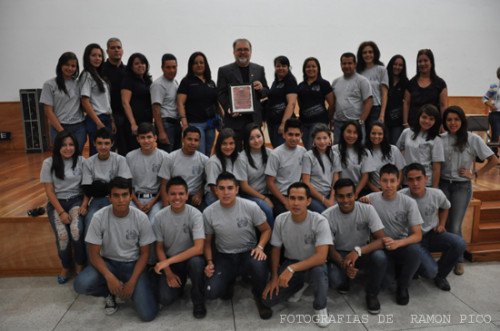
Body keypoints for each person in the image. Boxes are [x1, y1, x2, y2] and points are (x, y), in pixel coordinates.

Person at [74, 177, 158, 322]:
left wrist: (132, 282)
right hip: (108, 263)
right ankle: (109, 292)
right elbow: (94, 255)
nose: (121, 200)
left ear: (131, 195)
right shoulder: (99, 217)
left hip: (132, 264)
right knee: (81, 284)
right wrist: (109, 277)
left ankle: (133, 287)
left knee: (148, 315)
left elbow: (145, 254)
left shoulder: (140, 218)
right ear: (109, 197)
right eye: (116, 196)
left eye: (125, 195)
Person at [262, 182, 332, 328]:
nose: (295, 202)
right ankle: (300, 284)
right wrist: (274, 277)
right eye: (292, 198)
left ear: (308, 201)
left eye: (300, 198)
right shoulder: (281, 219)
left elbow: (321, 256)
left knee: (319, 271)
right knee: (268, 300)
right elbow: (275, 249)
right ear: (287, 200)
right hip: (291, 262)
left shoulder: (319, 221)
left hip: (313, 264)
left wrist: (292, 269)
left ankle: (320, 307)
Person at [203, 172, 272, 320]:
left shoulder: (250, 207)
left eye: (229, 188)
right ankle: (229, 281)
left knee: (259, 263)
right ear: (216, 190)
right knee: (211, 292)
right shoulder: (209, 212)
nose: (226, 192)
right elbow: (207, 242)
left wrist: (260, 247)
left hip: (248, 253)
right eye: (221, 188)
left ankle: (259, 296)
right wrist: (209, 262)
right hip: (225, 256)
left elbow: (266, 230)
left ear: (236, 189)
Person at [440, 106, 498, 275]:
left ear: (462, 121)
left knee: (455, 225)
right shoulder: (441, 138)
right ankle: (447, 256)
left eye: (456, 119)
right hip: (443, 185)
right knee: (446, 224)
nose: (453, 123)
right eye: (449, 120)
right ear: (445, 122)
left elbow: (493, 159)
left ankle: (458, 260)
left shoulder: (472, 139)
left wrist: (475, 174)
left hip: (461, 187)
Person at [361, 164, 423, 305]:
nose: (389, 185)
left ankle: (403, 286)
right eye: (385, 181)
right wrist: (361, 202)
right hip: (378, 246)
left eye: (392, 181)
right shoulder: (370, 199)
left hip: (399, 244)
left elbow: (417, 235)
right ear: (379, 181)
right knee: (384, 277)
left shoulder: (409, 202)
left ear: (398, 181)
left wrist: (398, 243)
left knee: (416, 251)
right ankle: (372, 292)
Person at [323, 178, 386, 315]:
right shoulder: (327, 216)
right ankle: (345, 277)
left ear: (355, 195)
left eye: (349, 195)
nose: (345, 200)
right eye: (341, 196)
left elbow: (382, 240)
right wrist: (343, 263)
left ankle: (372, 294)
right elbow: (329, 248)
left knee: (380, 257)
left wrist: (357, 251)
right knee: (335, 281)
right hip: (340, 254)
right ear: (335, 196)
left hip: (362, 252)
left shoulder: (368, 209)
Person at [400, 163, 466, 290]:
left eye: (418, 178)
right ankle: (418, 267)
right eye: (411, 179)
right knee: (429, 272)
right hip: (412, 240)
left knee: (459, 243)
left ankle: (440, 275)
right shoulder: (401, 196)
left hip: (432, 234)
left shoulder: (437, 194)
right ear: (406, 181)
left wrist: (441, 224)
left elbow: (445, 207)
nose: (415, 183)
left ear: (426, 178)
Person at [153, 177, 206, 318]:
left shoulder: (195, 214)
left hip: (191, 259)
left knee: (197, 263)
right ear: (167, 195)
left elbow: (199, 248)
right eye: (173, 194)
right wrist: (169, 272)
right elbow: (159, 248)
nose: (177, 198)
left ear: (187, 195)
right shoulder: (159, 217)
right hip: (173, 261)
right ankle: (179, 284)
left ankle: (198, 299)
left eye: (181, 194)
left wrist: (166, 263)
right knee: (165, 298)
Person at [40, 131, 86, 283]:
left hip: (76, 201)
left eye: (71, 145)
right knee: (63, 236)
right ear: (57, 146)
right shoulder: (48, 163)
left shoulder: (81, 161)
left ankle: (80, 264)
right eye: (64, 145)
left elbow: (87, 187)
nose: (68, 148)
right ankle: (66, 266)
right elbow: (49, 191)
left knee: (76, 231)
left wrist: (84, 204)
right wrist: (60, 212)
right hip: (57, 204)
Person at [126, 123, 167, 265]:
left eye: (149, 137)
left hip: (156, 199)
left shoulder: (164, 156)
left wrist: (152, 202)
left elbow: (164, 185)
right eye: (142, 138)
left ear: (155, 137)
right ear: (137, 139)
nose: (146, 141)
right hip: (135, 199)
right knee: (130, 222)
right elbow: (128, 185)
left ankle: (151, 262)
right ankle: (132, 259)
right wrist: (137, 203)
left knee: (152, 223)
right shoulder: (130, 157)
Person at [217, 38, 269, 149]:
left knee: (256, 153)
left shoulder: (259, 69)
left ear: (250, 51)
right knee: (234, 153)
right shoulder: (224, 70)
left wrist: (261, 89)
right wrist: (229, 108)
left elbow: (266, 91)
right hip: (234, 121)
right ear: (234, 52)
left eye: (246, 49)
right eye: (239, 49)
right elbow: (221, 93)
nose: (242, 52)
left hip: (254, 120)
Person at [81, 128, 132, 239]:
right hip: (97, 201)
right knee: (90, 223)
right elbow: (88, 189)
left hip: (118, 199)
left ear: (112, 144)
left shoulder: (120, 160)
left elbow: (125, 185)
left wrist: (98, 185)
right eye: (99, 143)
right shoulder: (88, 163)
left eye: (106, 143)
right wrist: (112, 185)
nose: (103, 147)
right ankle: (91, 256)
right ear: (94, 143)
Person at [40, 52, 86, 153]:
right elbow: (48, 110)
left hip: (78, 127)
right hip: (58, 127)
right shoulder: (49, 84)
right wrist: (61, 130)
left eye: (73, 66)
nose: (70, 68)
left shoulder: (79, 83)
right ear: (60, 65)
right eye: (67, 65)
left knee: (77, 157)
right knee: (60, 158)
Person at [178, 51, 219, 156]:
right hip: (195, 124)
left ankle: (206, 172)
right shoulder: (186, 82)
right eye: (196, 63)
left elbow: (217, 103)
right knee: (200, 154)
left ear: (206, 65)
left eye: (201, 62)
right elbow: (180, 103)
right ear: (191, 66)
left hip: (211, 123)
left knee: (208, 153)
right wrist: (185, 124)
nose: (199, 65)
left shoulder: (211, 82)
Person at [233, 123, 274, 228]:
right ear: (246, 140)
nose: (256, 141)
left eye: (259, 136)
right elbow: (244, 187)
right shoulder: (242, 158)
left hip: (268, 193)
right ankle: (272, 241)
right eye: (251, 138)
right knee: (267, 210)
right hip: (250, 195)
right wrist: (264, 198)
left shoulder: (270, 153)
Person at [158, 126, 208, 211]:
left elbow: (207, 182)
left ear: (199, 142)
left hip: (193, 198)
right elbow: (164, 184)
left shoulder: (204, 160)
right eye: (189, 139)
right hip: (175, 196)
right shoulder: (170, 158)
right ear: (183, 139)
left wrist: (200, 193)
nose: (192, 143)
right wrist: (166, 208)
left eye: (196, 140)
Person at [265, 118, 307, 217]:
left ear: (301, 135)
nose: (294, 138)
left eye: (297, 135)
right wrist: (284, 201)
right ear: (284, 135)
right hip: (279, 196)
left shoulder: (303, 151)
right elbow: (269, 183)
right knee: (285, 219)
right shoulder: (276, 154)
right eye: (290, 134)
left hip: (296, 194)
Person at [80, 43, 115, 156]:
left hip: (106, 118)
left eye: (99, 56)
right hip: (96, 119)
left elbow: (106, 102)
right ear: (87, 57)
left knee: (109, 153)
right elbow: (85, 101)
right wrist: (98, 122)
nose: (97, 58)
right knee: (97, 154)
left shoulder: (100, 76)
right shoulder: (86, 75)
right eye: (94, 55)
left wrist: (112, 120)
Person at [397, 104, 444, 187]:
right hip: (407, 180)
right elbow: (399, 153)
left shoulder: (436, 140)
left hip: (425, 182)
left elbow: (436, 168)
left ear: (435, 121)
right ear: (419, 117)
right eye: (424, 117)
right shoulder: (407, 133)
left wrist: (434, 188)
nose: (427, 121)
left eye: (431, 119)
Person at [331, 52, 373, 144]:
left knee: (359, 152)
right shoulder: (335, 82)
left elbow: (369, 102)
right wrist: (331, 121)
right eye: (344, 63)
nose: (347, 66)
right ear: (341, 65)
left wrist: (361, 122)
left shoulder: (362, 81)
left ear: (355, 64)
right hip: (339, 124)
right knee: (338, 152)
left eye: (350, 63)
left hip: (356, 123)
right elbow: (333, 103)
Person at [403, 49, 447, 129]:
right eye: (420, 61)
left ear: (431, 63)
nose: (422, 64)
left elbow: (443, 105)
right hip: (414, 126)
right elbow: (406, 103)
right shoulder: (411, 83)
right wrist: (405, 124)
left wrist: (443, 124)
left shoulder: (440, 84)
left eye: (425, 61)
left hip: (433, 127)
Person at [301, 124, 341, 213]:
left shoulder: (334, 155)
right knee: (324, 214)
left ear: (330, 138)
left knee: (339, 212)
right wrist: (324, 200)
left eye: (325, 138)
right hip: (314, 196)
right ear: (314, 140)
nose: (322, 141)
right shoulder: (308, 156)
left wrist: (331, 198)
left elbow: (335, 179)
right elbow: (306, 182)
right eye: (318, 138)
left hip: (330, 195)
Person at [297, 57, 334, 150]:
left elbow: (332, 103)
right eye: (308, 67)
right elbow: (299, 103)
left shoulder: (324, 84)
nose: (311, 69)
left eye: (313, 66)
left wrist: (328, 118)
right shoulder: (301, 86)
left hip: (319, 122)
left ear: (318, 68)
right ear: (304, 69)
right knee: (308, 149)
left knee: (313, 148)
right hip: (304, 123)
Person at [332, 121, 375, 198]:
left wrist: (355, 193)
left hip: (358, 190)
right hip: (339, 189)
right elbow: (335, 174)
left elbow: (365, 176)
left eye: (355, 133)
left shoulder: (365, 152)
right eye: (348, 132)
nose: (351, 135)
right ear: (343, 132)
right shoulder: (334, 150)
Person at [120, 53, 153, 153]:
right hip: (134, 124)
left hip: (146, 122)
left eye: (142, 63)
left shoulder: (148, 81)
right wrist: (133, 123)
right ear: (131, 66)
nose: (140, 66)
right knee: (134, 152)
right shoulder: (128, 80)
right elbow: (125, 102)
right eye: (136, 64)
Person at [102, 38, 127, 156]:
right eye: (113, 48)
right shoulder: (101, 70)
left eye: (119, 47)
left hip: (126, 117)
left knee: (125, 150)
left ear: (122, 50)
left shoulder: (128, 70)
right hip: (108, 117)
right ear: (107, 51)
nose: (116, 50)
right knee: (108, 151)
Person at [151, 53, 181, 152]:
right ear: (162, 68)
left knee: (176, 157)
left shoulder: (175, 82)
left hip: (176, 123)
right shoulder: (158, 84)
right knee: (166, 158)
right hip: (166, 124)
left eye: (174, 67)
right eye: (168, 67)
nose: (172, 70)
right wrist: (161, 132)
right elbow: (156, 110)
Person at [266, 56, 298, 147]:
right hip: (272, 123)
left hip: (283, 124)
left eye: (283, 66)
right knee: (276, 150)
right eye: (278, 66)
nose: (281, 68)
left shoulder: (290, 81)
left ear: (288, 67)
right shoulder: (275, 83)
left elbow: (291, 104)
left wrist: (284, 124)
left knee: (283, 152)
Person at [356, 41, 388, 130]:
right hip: (360, 108)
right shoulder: (357, 70)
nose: (367, 55)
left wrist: (382, 114)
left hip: (375, 108)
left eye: (370, 52)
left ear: (375, 53)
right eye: (364, 52)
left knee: (373, 136)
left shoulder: (381, 70)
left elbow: (384, 94)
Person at [365, 121, 405, 192]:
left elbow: (400, 172)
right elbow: (366, 178)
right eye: (373, 133)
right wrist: (379, 193)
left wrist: (393, 190)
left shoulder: (393, 150)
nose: (376, 136)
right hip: (375, 191)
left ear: (384, 135)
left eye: (380, 134)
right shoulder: (365, 152)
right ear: (368, 134)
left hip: (395, 190)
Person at [204, 128, 238, 205]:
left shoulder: (238, 158)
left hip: (232, 192)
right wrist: (229, 203)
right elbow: (213, 188)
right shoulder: (213, 162)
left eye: (231, 143)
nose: (228, 147)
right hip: (215, 195)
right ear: (219, 145)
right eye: (224, 143)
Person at [385, 55, 409, 144]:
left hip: (398, 122)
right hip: (384, 119)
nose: (397, 67)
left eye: (400, 65)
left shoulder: (406, 82)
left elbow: (407, 102)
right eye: (395, 64)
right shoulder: (384, 79)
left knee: (395, 146)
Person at [481, 66, 500, 157]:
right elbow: (484, 98)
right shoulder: (494, 86)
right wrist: (491, 106)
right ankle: (494, 155)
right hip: (495, 114)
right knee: (495, 134)